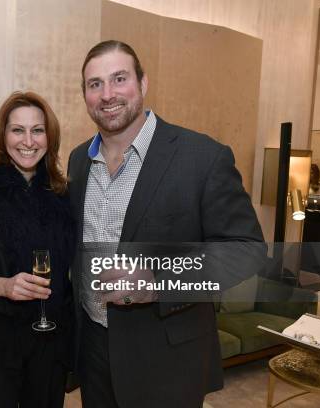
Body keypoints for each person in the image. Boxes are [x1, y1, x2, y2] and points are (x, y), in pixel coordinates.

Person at [68, 40, 264, 408]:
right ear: (85, 95)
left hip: (167, 354)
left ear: (143, 84)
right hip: (93, 346)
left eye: (119, 79)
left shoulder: (202, 157)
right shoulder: (79, 161)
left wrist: (159, 281)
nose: (107, 94)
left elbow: (246, 249)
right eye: (95, 84)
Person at [0, 91, 75, 407]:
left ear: (49, 136)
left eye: (37, 130)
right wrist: (4, 286)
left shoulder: (64, 194)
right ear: (3, 135)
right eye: (17, 130)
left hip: (50, 339)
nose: (28, 140)